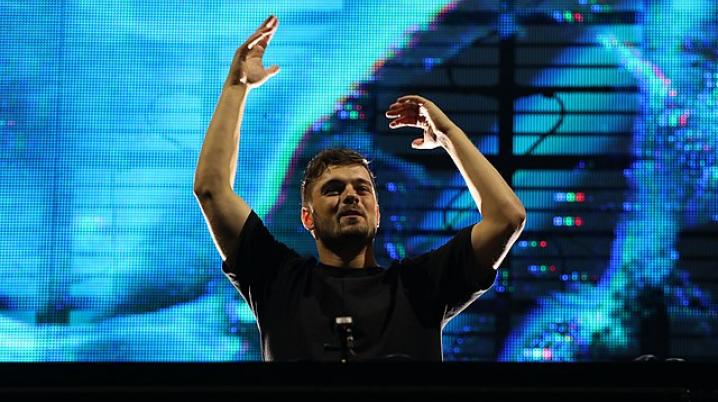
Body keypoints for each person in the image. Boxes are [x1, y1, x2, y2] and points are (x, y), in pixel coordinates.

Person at [193, 15, 526, 361]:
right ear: (307, 217)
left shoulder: (418, 288)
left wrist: (448, 135)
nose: (350, 195)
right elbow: (211, 189)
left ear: (377, 214)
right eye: (333, 189)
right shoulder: (280, 284)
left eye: (362, 189)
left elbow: (507, 217)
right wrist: (236, 86)